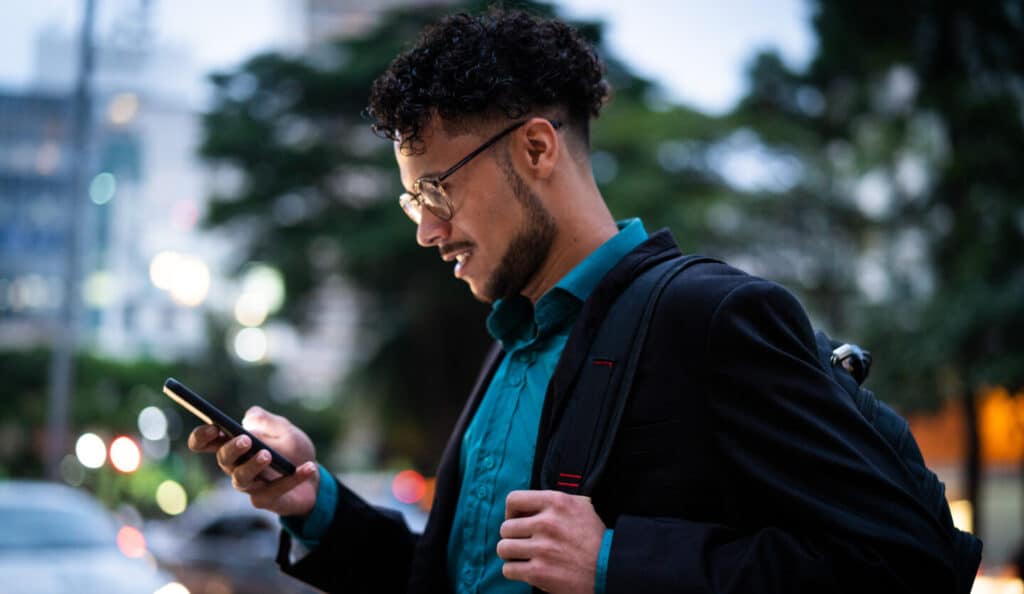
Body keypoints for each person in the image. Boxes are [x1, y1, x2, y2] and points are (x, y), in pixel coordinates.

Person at [189, 9, 967, 594]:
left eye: (436, 189)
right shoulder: (514, 345)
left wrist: (615, 560)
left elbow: (910, 560)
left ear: (535, 149)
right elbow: (451, 578)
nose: (426, 230)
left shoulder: (710, 317)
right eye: (410, 201)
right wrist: (314, 501)